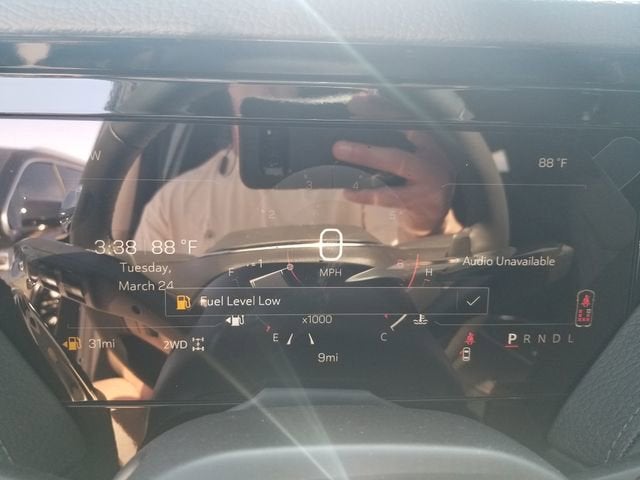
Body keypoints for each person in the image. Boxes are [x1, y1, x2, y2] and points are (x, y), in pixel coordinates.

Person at [134, 88, 462, 254]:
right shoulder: (173, 203)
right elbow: (141, 309)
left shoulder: (369, 170)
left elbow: (402, 258)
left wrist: (424, 220)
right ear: (228, 88)